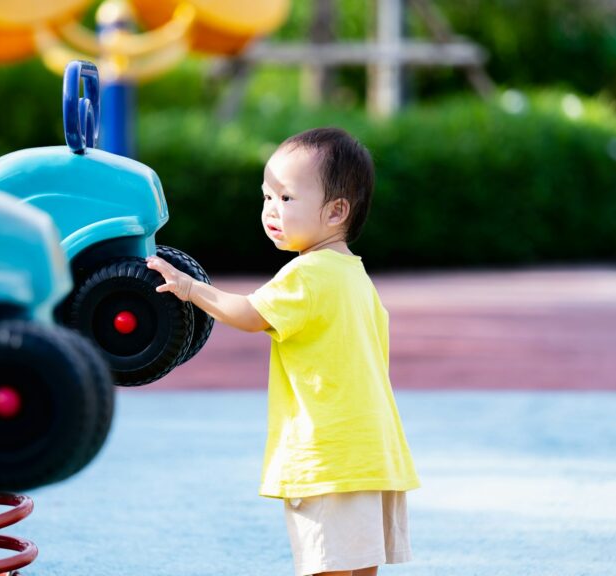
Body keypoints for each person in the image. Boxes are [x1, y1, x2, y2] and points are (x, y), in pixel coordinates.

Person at [146, 127, 420, 576]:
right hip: (370, 454)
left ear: (336, 212)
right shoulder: (354, 276)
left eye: (286, 199)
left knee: (326, 566)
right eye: (266, 197)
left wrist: (190, 288)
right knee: (358, 567)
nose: (271, 210)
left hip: (326, 455)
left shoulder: (307, 274)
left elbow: (251, 314)